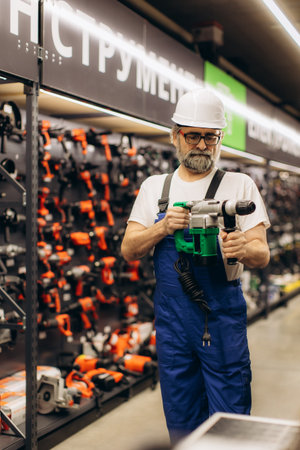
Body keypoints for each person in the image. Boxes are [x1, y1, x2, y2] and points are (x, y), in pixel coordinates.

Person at [121, 88, 270, 444]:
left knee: (229, 414)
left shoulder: (240, 185)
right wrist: (162, 227)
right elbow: (129, 249)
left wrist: (242, 247)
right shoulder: (154, 188)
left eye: (210, 137)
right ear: (176, 136)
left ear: (219, 139)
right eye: (193, 136)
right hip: (172, 323)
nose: (202, 145)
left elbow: (262, 254)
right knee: (181, 412)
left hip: (220, 319)